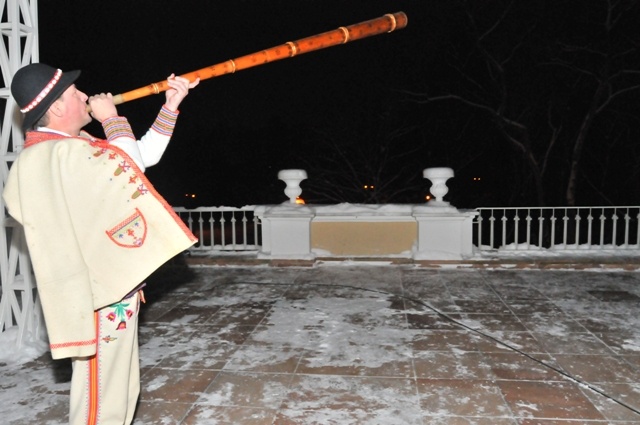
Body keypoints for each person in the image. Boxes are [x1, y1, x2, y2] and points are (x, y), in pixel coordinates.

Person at [3, 63, 200, 425]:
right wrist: (112, 119)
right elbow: (129, 166)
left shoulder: (70, 147)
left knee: (118, 386)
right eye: (74, 93)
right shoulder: (53, 155)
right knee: (100, 393)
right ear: (57, 107)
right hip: (95, 295)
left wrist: (170, 106)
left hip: (111, 290)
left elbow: (139, 157)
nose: (85, 95)